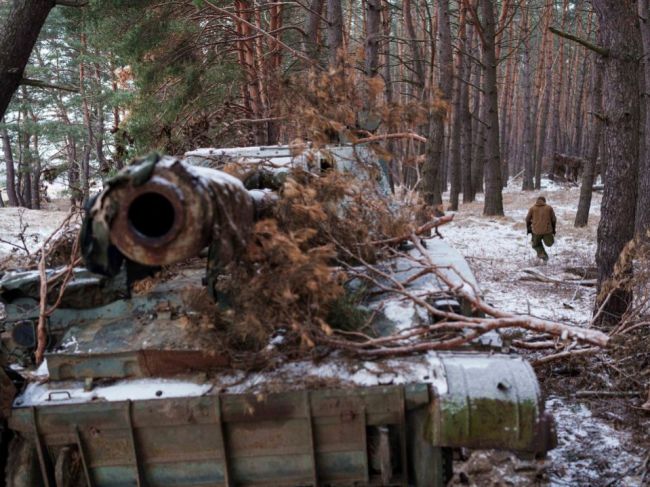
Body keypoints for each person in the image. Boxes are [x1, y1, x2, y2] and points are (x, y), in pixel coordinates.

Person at [525, 196, 556, 261]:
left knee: (535, 245)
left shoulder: (532, 208)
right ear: (544, 201)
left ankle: (543, 255)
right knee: (549, 243)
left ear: (537, 201)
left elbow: (527, 219)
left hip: (536, 231)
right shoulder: (549, 208)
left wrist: (528, 228)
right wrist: (553, 229)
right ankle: (543, 254)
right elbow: (554, 219)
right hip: (548, 231)